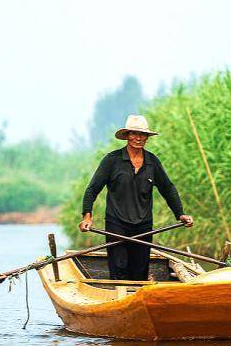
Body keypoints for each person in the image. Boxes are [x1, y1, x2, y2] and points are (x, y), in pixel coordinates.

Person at [79, 114, 193, 280]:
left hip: (143, 225)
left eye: (142, 135)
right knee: (119, 268)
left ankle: (136, 300)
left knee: (140, 271)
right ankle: (118, 300)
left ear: (147, 138)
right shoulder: (112, 160)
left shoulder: (152, 162)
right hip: (116, 223)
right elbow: (92, 189)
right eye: (134, 133)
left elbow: (168, 188)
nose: (138, 138)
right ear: (127, 136)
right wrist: (87, 217)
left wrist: (180, 214)